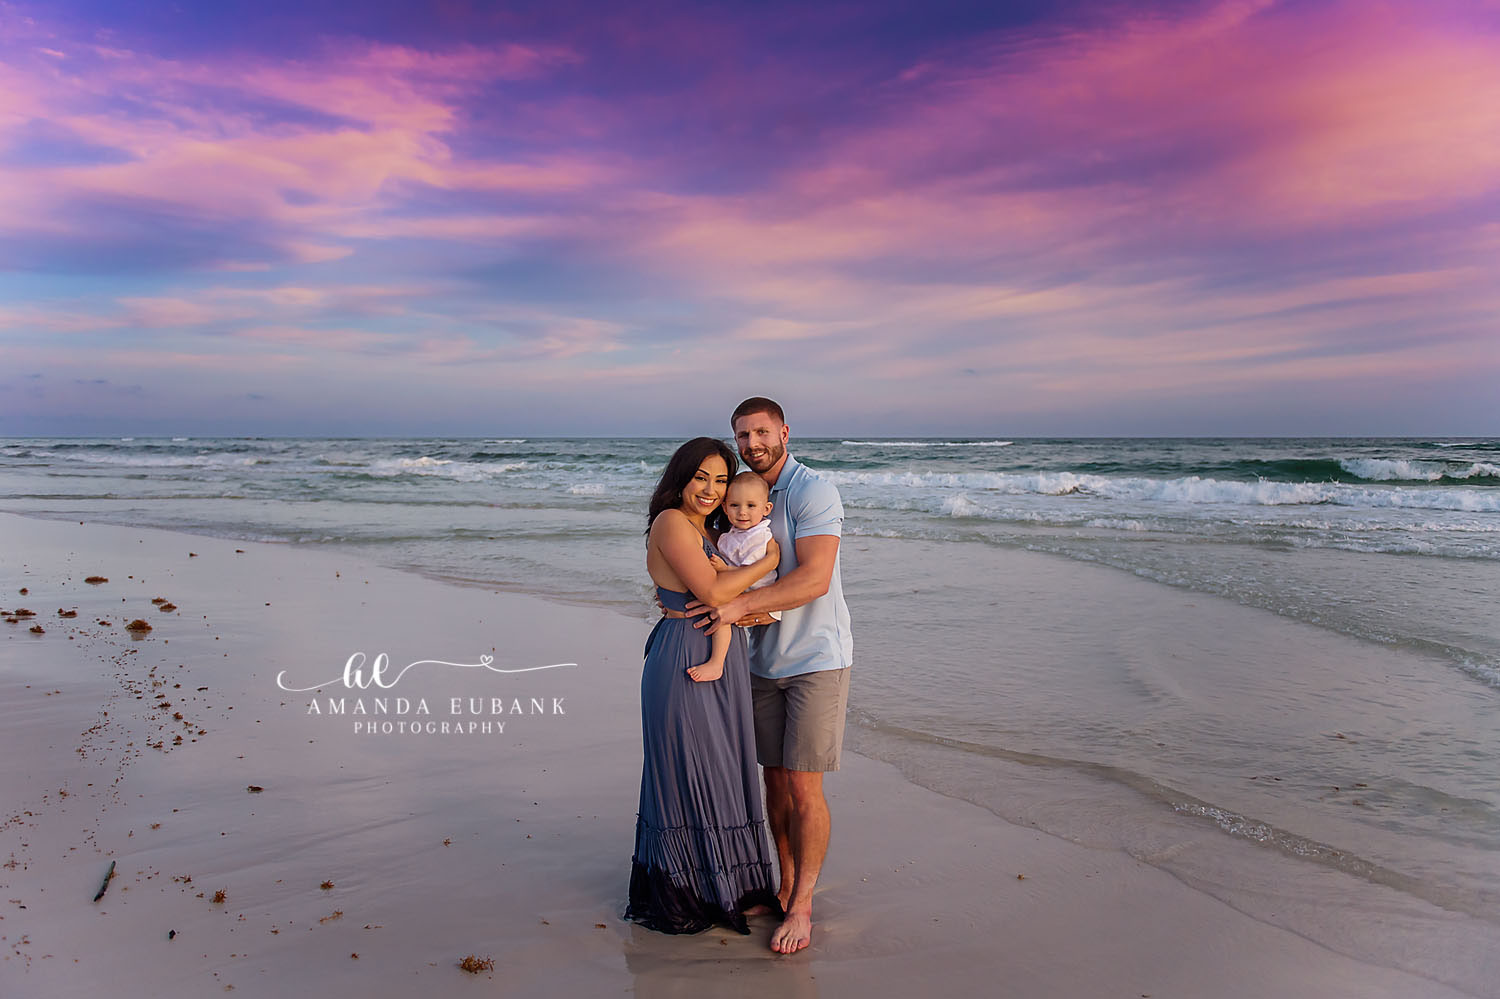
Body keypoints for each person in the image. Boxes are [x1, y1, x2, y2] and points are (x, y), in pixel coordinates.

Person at [689, 398, 853, 955]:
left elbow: (815, 579)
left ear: (784, 432)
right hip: (760, 660)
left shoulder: (812, 492)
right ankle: (783, 887)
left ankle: (802, 906)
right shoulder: (740, 492)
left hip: (816, 659)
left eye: (761, 432)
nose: (752, 443)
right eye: (742, 435)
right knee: (775, 782)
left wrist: (734, 607)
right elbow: (715, 561)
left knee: (805, 786)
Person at [625, 437, 783, 935]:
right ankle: (686, 890)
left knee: (722, 765)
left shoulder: (711, 530)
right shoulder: (672, 522)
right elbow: (715, 591)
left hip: (719, 654)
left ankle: (727, 886)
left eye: (721, 480)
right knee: (690, 767)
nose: (711, 489)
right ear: (681, 478)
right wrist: (768, 562)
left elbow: (730, 595)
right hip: (684, 656)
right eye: (701, 477)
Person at [687, 470, 779, 684]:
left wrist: (725, 570)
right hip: (739, 586)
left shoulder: (759, 536)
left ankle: (716, 663)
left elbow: (750, 573)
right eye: (735, 505)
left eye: (751, 506)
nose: (742, 512)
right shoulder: (731, 535)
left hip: (757, 591)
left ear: (766, 509)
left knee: (722, 612)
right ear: (725, 507)